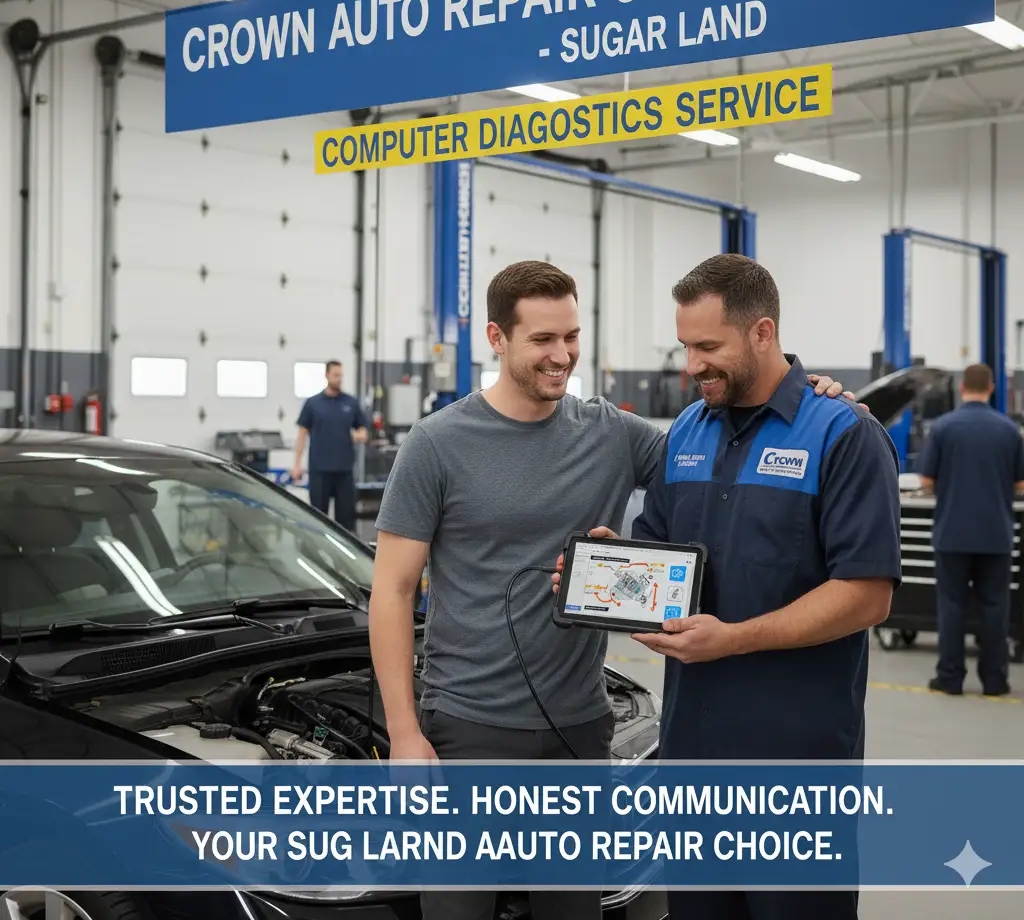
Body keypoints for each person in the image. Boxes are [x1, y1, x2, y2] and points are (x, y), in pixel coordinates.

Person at [369, 259, 859, 920]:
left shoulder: (612, 434)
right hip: (469, 730)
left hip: (579, 729)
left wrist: (811, 399)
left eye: (571, 336)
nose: (562, 354)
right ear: (497, 338)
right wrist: (404, 731)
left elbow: (721, 456)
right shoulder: (436, 444)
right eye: (543, 339)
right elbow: (393, 592)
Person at [554, 254, 901, 920]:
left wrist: (735, 640)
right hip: (695, 760)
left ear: (761, 333)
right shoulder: (686, 430)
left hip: (795, 768)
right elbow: (660, 562)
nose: (692, 364)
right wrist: (609, 577)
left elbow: (867, 594)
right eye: (685, 346)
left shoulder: (843, 435)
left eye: (708, 346)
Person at [916, 363, 1024, 697]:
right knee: (995, 608)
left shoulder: (944, 428)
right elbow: (1020, 485)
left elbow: (925, 480)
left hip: (952, 533)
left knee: (952, 606)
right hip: (996, 534)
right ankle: (995, 681)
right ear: (991, 389)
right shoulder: (1009, 430)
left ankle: (950, 678)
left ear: (963, 389)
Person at [292, 360, 370, 531]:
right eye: (336, 375)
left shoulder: (350, 403)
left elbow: (364, 432)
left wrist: (357, 435)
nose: (339, 379)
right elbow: (302, 435)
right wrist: (296, 465)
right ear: (327, 375)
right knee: (318, 519)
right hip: (320, 471)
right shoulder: (313, 404)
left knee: (346, 521)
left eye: (341, 375)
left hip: (344, 471)